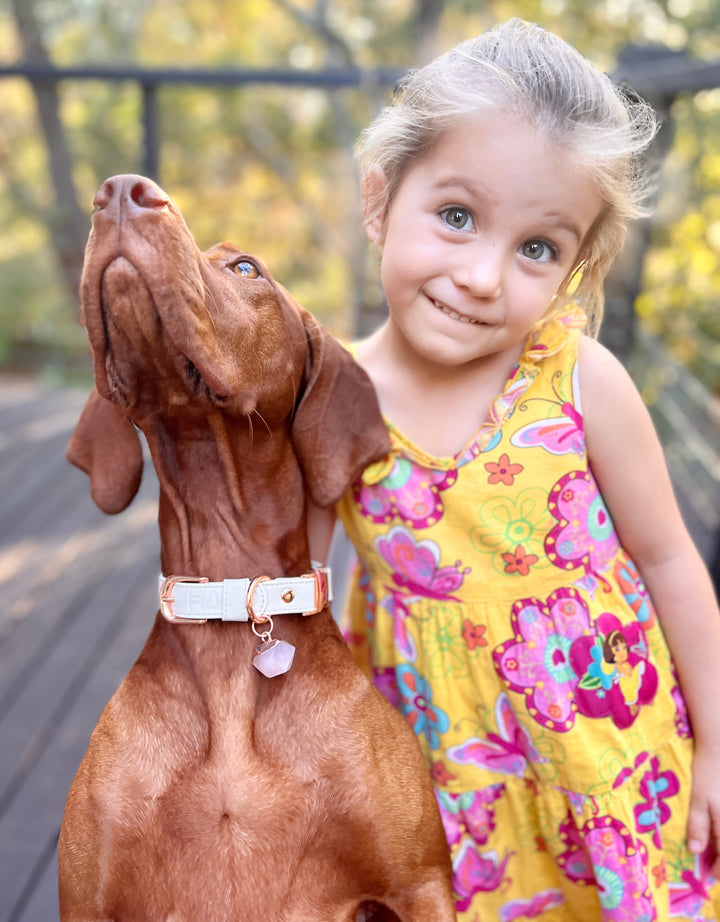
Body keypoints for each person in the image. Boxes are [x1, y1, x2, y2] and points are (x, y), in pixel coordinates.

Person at [308, 18, 720, 920]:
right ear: (380, 201)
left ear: (576, 266)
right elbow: (297, 590)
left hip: (610, 754)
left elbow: (670, 562)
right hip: (442, 776)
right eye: (456, 217)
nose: (485, 275)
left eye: (538, 247)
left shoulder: (578, 380)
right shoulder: (330, 399)